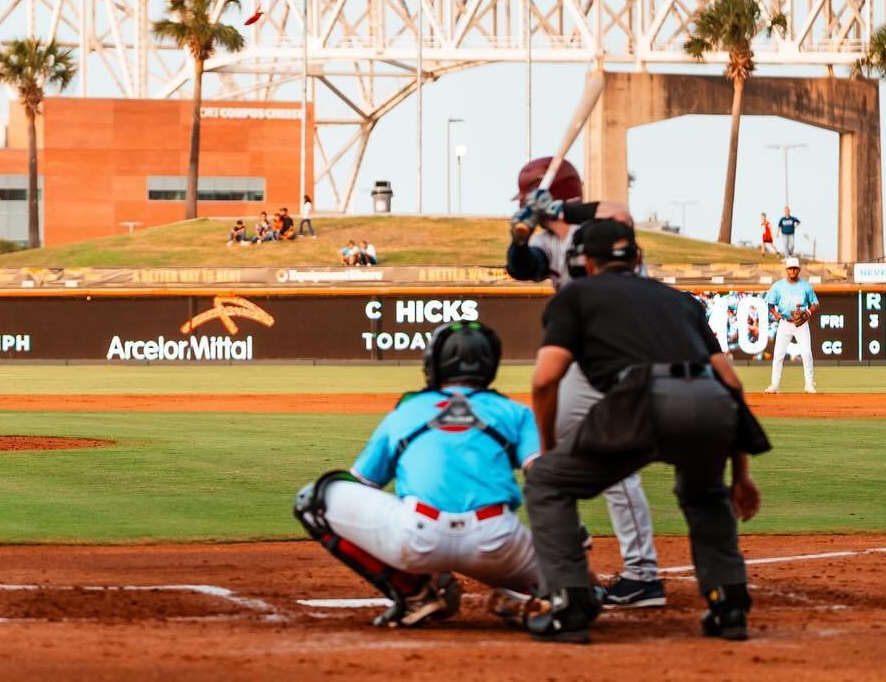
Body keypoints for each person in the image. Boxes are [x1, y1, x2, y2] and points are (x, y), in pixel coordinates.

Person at [524, 219, 765, 644]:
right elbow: (731, 383)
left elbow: (545, 380)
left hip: (639, 399)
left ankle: (571, 602)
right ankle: (729, 604)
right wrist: (741, 476)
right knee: (706, 493)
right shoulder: (681, 301)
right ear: (637, 258)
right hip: (710, 402)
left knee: (546, 482)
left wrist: (548, 451)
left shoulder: (575, 295)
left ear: (584, 262)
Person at [294, 322, 541, 629]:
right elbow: (545, 477)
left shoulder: (405, 410)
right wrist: (570, 543)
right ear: (491, 365)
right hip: (499, 542)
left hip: (417, 537)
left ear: (433, 364)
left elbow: (363, 485)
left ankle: (414, 594)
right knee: (580, 589)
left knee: (311, 500)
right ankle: (533, 601)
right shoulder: (516, 412)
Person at [504, 156, 665, 609]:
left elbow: (621, 214)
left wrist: (560, 212)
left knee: (614, 463)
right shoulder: (546, 243)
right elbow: (523, 267)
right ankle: (568, 536)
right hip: (583, 358)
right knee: (549, 450)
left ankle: (643, 576)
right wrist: (517, 239)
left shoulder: (599, 229)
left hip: (624, 351)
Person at [763, 257, 819, 394]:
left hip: (801, 324)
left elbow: (815, 303)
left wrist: (808, 313)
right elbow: (769, 303)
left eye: (795, 268)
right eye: (790, 268)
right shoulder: (778, 286)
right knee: (778, 354)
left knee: (806, 353)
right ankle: (774, 385)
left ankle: (809, 385)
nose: (793, 270)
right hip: (785, 322)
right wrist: (775, 314)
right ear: (787, 270)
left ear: (799, 270)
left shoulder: (805, 286)